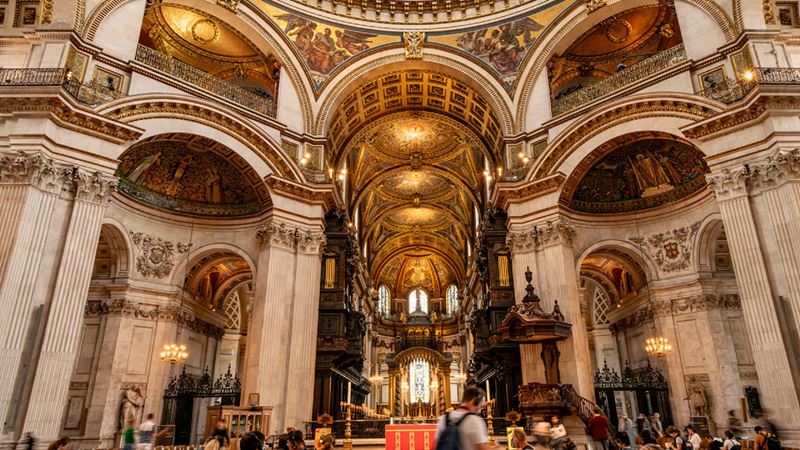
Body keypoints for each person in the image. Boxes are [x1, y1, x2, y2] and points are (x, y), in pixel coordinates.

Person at [434, 385, 489, 450]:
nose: (481, 409)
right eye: (481, 404)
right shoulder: (475, 421)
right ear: (475, 401)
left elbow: (436, 444)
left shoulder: (443, 418)